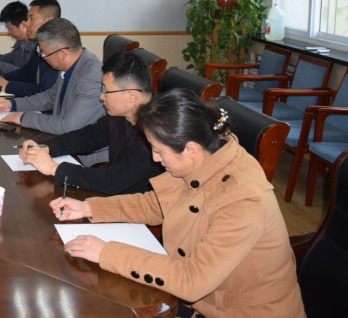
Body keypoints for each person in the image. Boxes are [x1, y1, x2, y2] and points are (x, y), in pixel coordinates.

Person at [53, 89, 305, 318]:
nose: (155, 158)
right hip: (203, 301)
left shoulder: (243, 197)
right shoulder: (207, 156)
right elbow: (157, 204)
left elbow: (192, 280)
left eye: (158, 150)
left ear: (190, 150)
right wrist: (89, 207)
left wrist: (107, 252)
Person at [17, 51, 161, 195]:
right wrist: (45, 148)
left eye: (106, 91)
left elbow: (114, 181)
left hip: (137, 204)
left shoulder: (157, 130)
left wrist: (53, 168)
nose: (101, 96)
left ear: (132, 96)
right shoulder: (121, 114)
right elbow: (86, 137)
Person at [0, 18, 106, 165]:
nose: (43, 58)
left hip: (86, 160)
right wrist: (13, 104)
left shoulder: (91, 77)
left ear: (62, 54)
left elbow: (69, 126)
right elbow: (51, 97)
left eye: (45, 53)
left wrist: (25, 117)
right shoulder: (71, 65)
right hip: (63, 143)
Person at [0, 0, 61, 97]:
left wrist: (7, 85)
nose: (26, 23)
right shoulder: (39, 47)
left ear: (49, 21)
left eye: (31, 18)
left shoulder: (57, 50)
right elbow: (26, 72)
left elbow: (43, 91)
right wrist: (1, 79)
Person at [0, 0, 35, 76]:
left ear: (23, 25)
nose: (8, 33)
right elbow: (13, 58)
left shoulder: (37, 47)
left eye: (10, 28)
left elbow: (26, 74)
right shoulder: (21, 42)